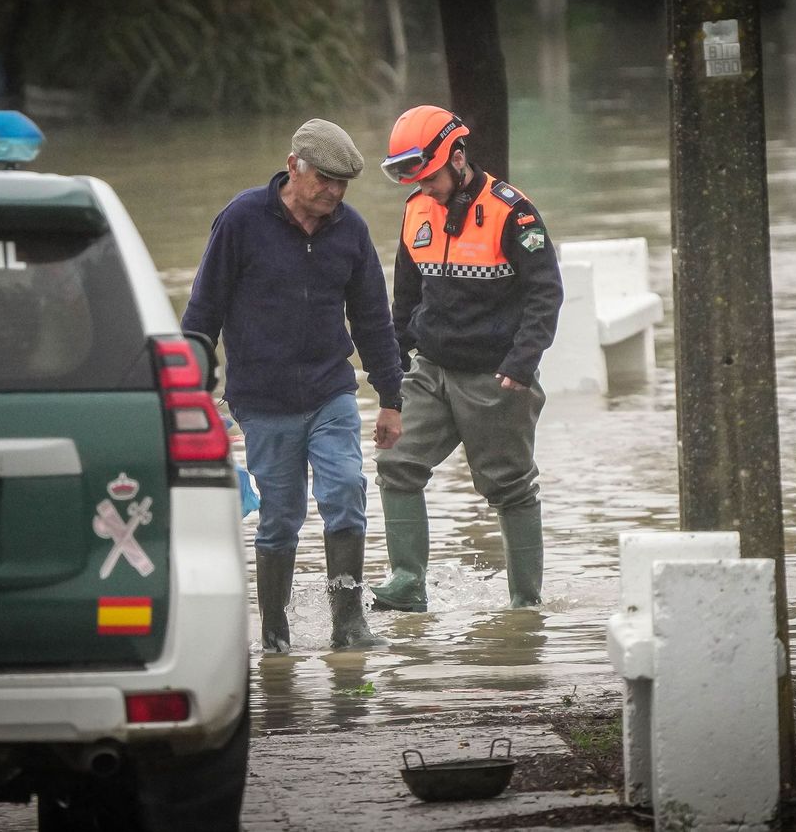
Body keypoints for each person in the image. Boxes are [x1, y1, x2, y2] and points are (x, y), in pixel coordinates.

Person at [182, 118, 404, 653]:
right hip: (261, 401)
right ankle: (275, 631)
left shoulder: (349, 230)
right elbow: (203, 310)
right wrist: (187, 387)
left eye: (341, 183)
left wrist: (392, 399)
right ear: (292, 167)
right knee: (280, 518)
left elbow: (373, 318)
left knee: (346, 492)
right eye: (323, 179)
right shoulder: (241, 220)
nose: (332, 191)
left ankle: (348, 623)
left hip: (332, 391)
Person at [368, 105, 563, 612]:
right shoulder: (416, 210)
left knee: (509, 487)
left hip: (496, 375)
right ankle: (407, 581)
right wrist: (394, 369)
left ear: (457, 157)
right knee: (397, 464)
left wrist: (521, 364)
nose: (423, 185)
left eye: (428, 174)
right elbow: (405, 299)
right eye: (413, 177)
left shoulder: (512, 211)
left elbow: (546, 293)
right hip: (429, 369)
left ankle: (526, 605)